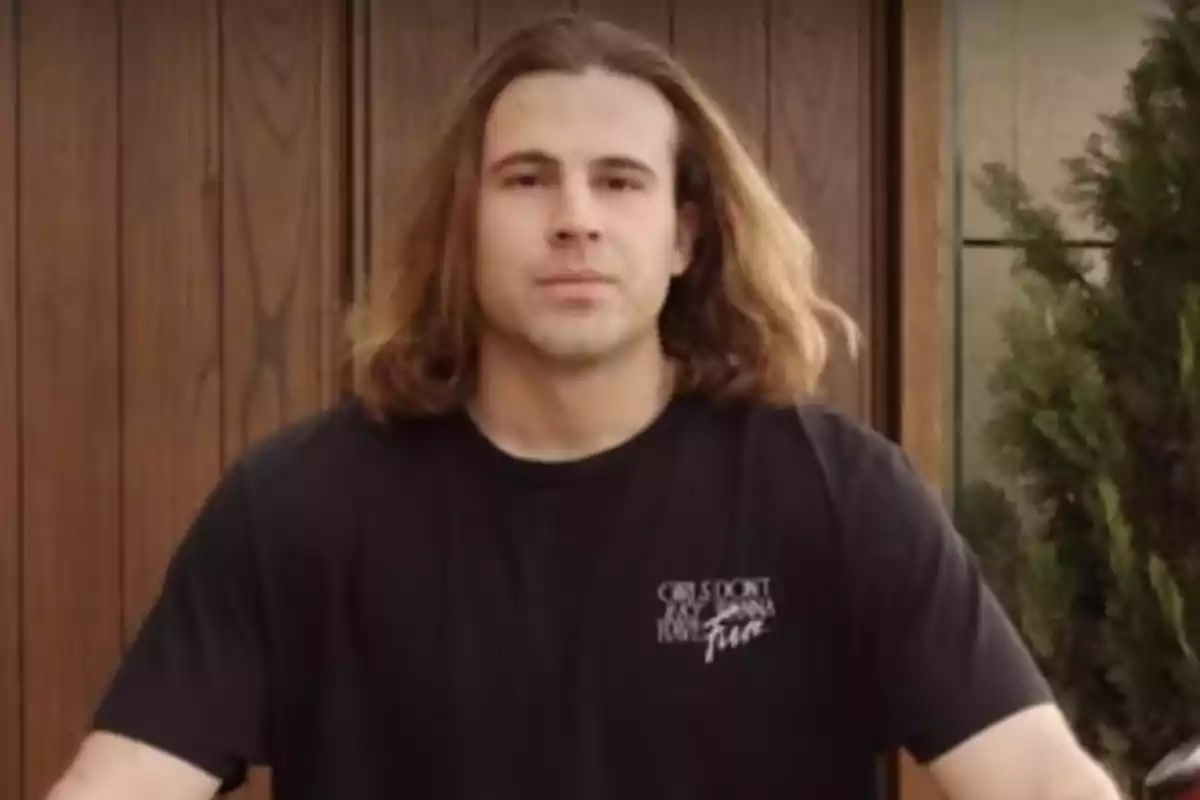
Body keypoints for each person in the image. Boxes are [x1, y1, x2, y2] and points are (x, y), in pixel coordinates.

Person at [47, 12, 1121, 800]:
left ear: (686, 234)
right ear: (463, 228)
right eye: (527, 180)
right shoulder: (295, 509)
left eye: (618, 181)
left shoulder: (836, 492)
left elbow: (1032, 772)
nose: (575, 220)